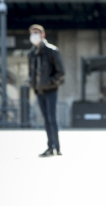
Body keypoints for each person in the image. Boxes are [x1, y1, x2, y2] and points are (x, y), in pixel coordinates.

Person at [28, 24, 65, 157]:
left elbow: (61, 72)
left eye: (37, 32)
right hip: (39, 91)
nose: (34, 35)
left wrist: (49, 82)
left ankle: (55, 147)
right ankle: (51, 146)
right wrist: (32, 84)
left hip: (50, 90)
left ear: (43, 35)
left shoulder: (52, 51)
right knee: (45, 119)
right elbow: (31, 72)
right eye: (32, 33)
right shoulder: (31, 53)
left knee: (51, 118)